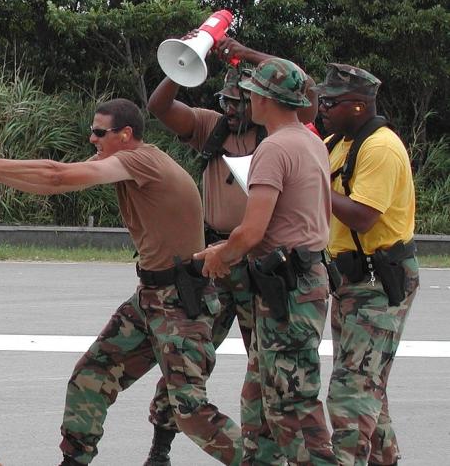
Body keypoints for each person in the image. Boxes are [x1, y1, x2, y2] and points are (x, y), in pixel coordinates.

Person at [0, 98, 243, 466]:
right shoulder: (121, 162)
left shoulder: (141, 160)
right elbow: (55, 184)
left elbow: (56, 174)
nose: (92, 138)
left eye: (99, 132)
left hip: (182, 301)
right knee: (91, 376)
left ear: (126, 135)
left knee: (190, 409)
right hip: (153, 297)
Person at [144, 35, 317, 466]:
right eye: (231, 99)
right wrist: (184, 61)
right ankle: (161, 444)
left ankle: (264, 453)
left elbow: (301, 88)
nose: (237, 108)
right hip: (220, 255)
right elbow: (159, 109)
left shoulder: (279, 139)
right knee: (187, 358)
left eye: (246, 98)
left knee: (270, 370)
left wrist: (247, 54)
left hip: (255, 261)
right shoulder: (211, 126)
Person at [195, 58, 337, 465]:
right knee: (258, 404)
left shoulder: (273, 148)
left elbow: (252, 231)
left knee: (290, 403)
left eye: (253, 91)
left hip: (287, 289)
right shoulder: (310, 141)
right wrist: (223, 250)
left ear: (266, 98)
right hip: (297, 280)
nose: (248, 98)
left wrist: (221, 254)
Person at [313, 64, 419, 466]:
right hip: (352, 282)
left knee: (351, 392)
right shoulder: (338, 142)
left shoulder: (380, 148)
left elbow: (362, 215)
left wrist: (313, 183)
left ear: (358, 106)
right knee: (368, 388)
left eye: (330, 102)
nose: (321, 108)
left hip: (379, 282)